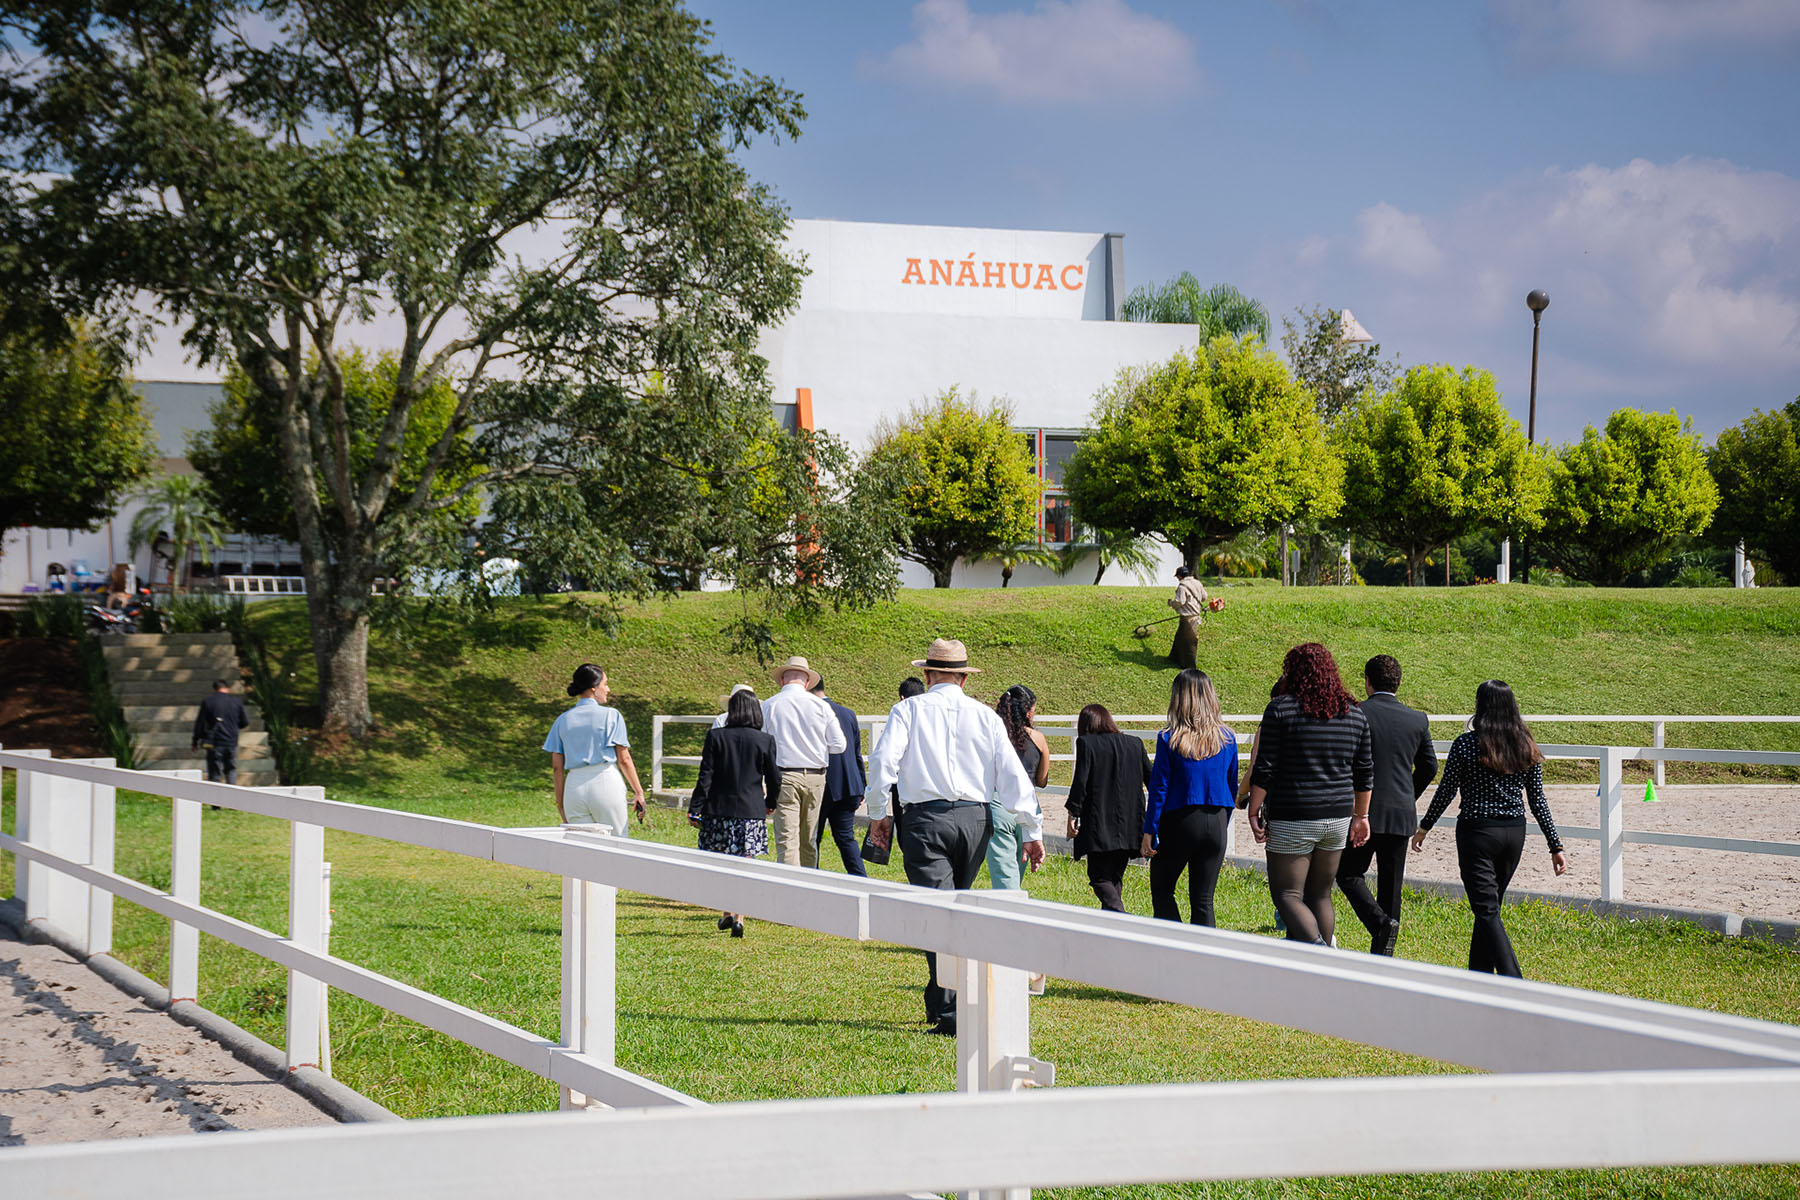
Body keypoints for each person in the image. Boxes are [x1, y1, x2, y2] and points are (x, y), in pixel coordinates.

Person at [866, 639, 1044, 1035]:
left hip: (925, 821)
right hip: (975, 821)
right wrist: (1030, 830)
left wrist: (879, 814)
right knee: (953, 909)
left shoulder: (907, 710)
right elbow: (1013, 776)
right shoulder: (984, 716)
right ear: (963, 678)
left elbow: (882, 763)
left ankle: (952, 1013)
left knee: (938, 914)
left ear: (928, 675)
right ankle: (941, 998)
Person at [1413, 680, 1567, 977]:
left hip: (1478, 832)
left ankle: (1514, 981)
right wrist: (1555, 845)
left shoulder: (1466, 743)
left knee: (1486, 911)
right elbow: (1537, 800)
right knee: (1489, 909)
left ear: (1480, 706)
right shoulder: (1525, 744)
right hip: (1514, 834)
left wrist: (1425, 826)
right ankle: (1479, 976)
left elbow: (1446, 790)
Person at [1244, 643, 1373, 945]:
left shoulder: (1281, 710)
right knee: (1320, 895)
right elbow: (1365, 772)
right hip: (1338, 817)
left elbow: (1265, 767)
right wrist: (1362, 816)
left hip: (1293, 814)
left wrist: (1254, 809)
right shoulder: (1355, 713)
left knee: (1287, 895)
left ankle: (1320, 953)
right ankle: (1320, 967)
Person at [1336, 654, 1438, 956]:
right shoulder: (1417, 719)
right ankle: (1384, 952)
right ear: (1399, 682)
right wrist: (1409, 794)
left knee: (1348, 874)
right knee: (1391, 887)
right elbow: (1429, 767)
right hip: (1400, 813)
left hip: (1361, 812)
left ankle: (1379, 923)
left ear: (1367, 682)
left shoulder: (1356, 713)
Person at [1142, 670, 1239, 925]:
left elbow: (1159, 787)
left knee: (1163, 889)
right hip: (1217, 820)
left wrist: (1150, 829)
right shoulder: (1227, 739)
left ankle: (1174, 950)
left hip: (1181, 820)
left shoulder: (1169, 738)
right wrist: (1222, 821)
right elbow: (1232, 786)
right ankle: (1206, 959)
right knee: (1203, 900)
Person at [688, 688, 781, 937]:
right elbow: (774, 778)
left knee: (720, 864)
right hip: (751, 810)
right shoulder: (765, 740)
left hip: (718, 810)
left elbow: (705, 776)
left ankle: (726, 913)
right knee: (745, 864)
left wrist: (695, 808)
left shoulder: (716, 737)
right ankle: (739, 918)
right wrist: (771, 802)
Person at [760, 655, 847, 868]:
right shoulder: (821, 706)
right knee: (809, 839)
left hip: (785, 775)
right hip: (816, 775)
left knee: (787, 839)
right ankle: (809, 886)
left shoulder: (770, 705)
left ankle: (790, 890)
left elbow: (761, 745)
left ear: (782, 680)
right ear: (807, 682)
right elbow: (839, 745)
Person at [1066, 703, 1151, 912]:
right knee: (1114, 878)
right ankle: (1112, 929)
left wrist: (1072, 815)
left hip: (1100, 824)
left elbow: (1080, 784)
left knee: (1098, 877)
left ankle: (1121, 917)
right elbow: (1153, 780)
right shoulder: (1135, 744)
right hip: (1131, 824)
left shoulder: (1087, 744)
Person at [543, 663, 646, 834]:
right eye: (605, 684)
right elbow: (624, 759)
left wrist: (561, 803)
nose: (608, 689)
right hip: (604, 781)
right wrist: (638, 792)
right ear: (593, 688)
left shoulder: (562, 720)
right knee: (616, 845)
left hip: (574, 788)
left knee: (583, 850)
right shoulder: (611, 716)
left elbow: (557, 768)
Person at [989, 684, 1049, 889]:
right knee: (1018, 870)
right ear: (1026, 710)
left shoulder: (996, 736)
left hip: (999, 805)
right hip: (1029, 807)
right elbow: (1042, 780)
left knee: (1005, 877)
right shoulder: (1037, 738)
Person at [811, 676, 868, 876]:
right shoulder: (848, 713)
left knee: (812, 838)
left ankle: (813, 881)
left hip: (822, 783)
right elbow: (856, 753)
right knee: (846, 838)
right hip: (849, 784)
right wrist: (862, 784)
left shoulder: (813, 712)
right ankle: (861, 880)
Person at [191, 679, 249, 785]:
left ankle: (214, 799)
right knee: (231, 769)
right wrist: (234, 728)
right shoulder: (236, 701)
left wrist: (195, 740)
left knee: (214, 772)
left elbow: (200, 723)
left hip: (214, 742)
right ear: (227, 688)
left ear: (214, 689)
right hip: (231, 741)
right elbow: (245, 722)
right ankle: (232, 795)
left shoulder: (208, 701)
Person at [1167, 566, 1208, 670]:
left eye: (1177, 577)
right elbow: (1204, 597)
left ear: (1180, 576)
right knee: (1180, 637)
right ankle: (1174, 658)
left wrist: (1171, 603)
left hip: (1188, 618)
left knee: (1189, 642)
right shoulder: (1197, 583)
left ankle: (1189, 666)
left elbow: (1180, 602)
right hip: (1194, 615)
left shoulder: (1182, 587)